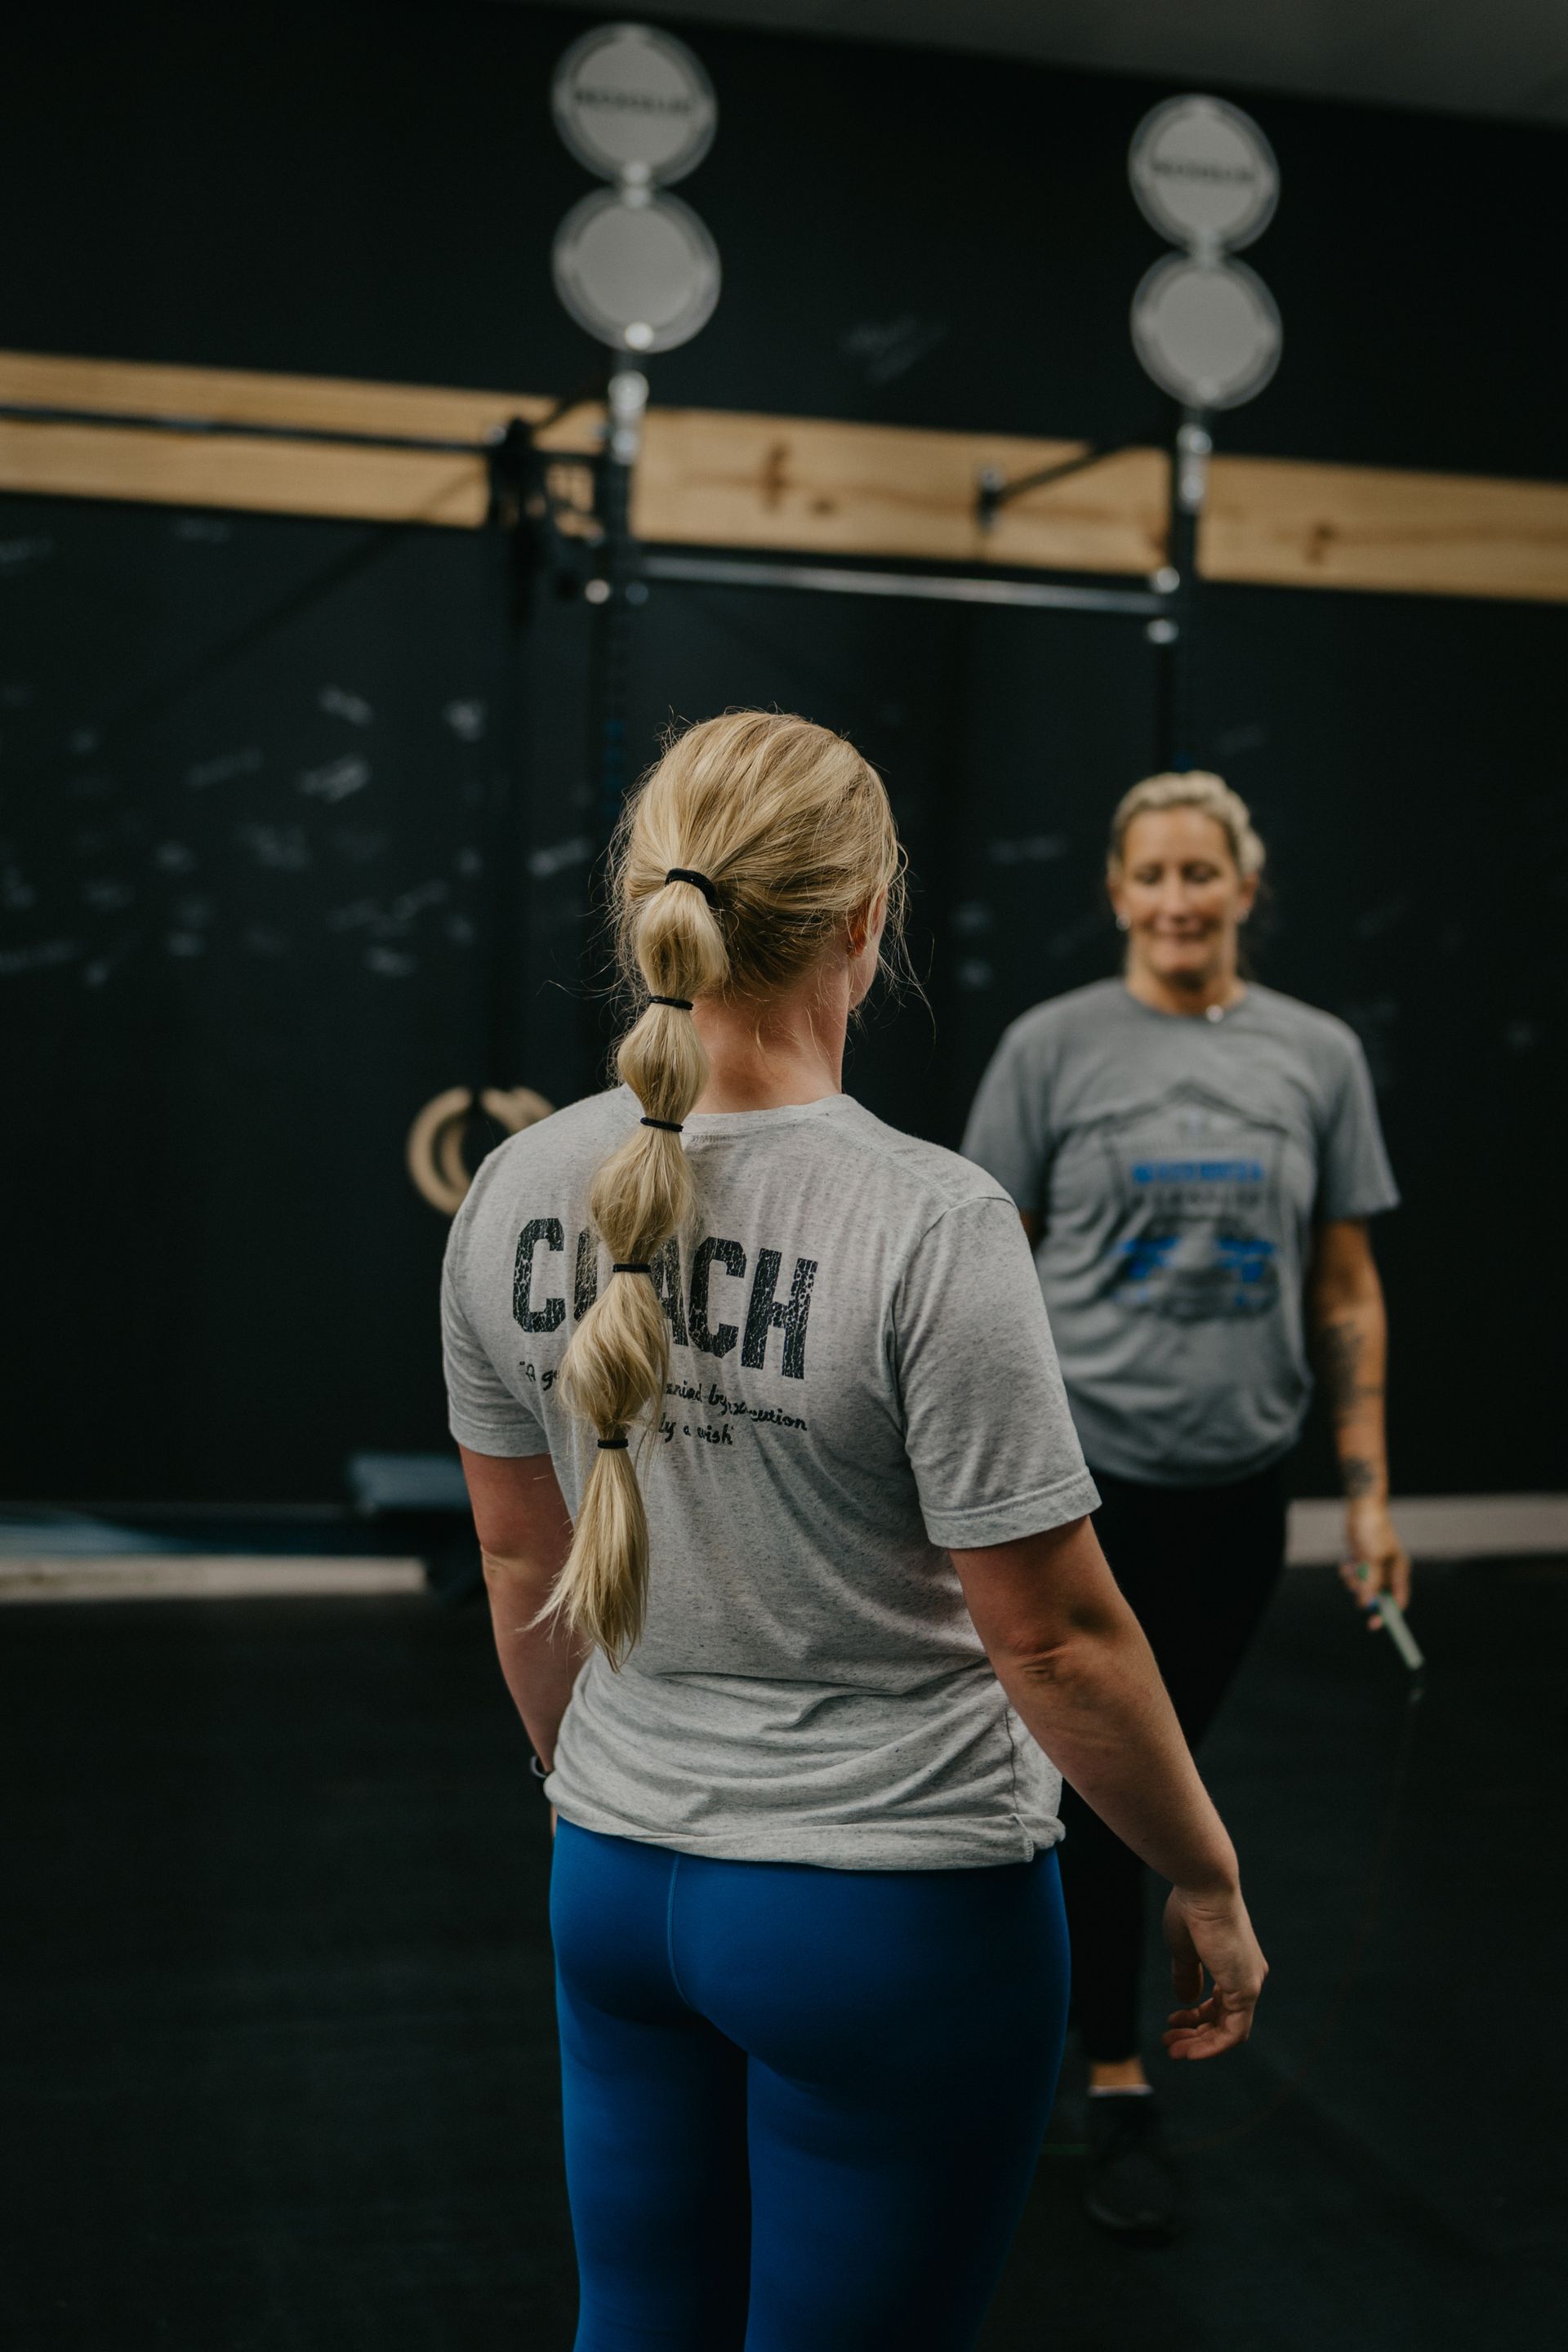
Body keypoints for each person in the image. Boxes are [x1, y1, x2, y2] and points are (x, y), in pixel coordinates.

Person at [443, 715, 1266, 2351]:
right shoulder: (928, 1221)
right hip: (888, 1914)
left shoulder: (515, 1187)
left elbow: (524, 1562)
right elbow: (1054, 1640)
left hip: (616, 1887)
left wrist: (585, 1786)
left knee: (640, 2326)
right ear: (863, 920)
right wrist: (1206, 1874)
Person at [963, 768, 1406, 2243]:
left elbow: (1345, 1286)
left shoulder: (1318, 1055)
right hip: (1080, 1496)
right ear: (1116, 891)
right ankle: (1112, 2079)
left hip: (1238, 1497)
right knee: (1091, 1792)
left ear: (1243, 887)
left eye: (1199, 873)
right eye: (1149, 874)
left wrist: (1368, 1493)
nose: (1175, 899)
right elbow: (977, 1274)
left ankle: (1074, 2032)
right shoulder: (1050, 1049)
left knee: (1150, 1789)